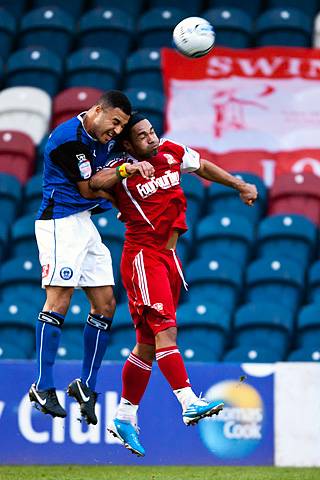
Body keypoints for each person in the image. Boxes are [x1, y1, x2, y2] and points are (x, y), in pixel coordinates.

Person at [89, 112, 258, 456]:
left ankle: (123, 415)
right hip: (143, 257)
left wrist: (239, 185)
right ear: (127, 143)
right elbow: (94, 182)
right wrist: (127, 169)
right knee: (165, 330)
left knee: (148, 344)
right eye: (141, 136)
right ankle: (187, 400)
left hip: (168, 259)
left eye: (151, 132)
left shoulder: (171, 152)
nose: (150, 138)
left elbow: (204, 166)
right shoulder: (121, 168)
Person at [28, 90, 131, 425]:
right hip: (59, 222)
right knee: (59, 300)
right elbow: (88, 188)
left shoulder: (104, 137)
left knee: (105, 305)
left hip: (84, 224)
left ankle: (85, 385)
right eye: (114, 122)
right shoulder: (67, 139)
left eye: (121, 127)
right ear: (98, 110)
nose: (116, 131)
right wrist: (123, 190)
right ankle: (42, 386)